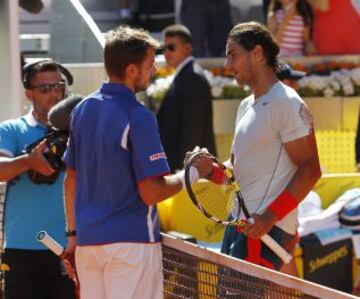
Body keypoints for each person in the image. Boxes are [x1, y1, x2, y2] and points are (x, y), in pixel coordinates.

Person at [63, 26, 202, 299]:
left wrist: (73, 237)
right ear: (131, 70)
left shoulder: (82, 110)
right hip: (132, 246)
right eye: (150, 65)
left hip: (89, 246)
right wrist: (191, 175)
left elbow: (71, 179)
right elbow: (152, 192)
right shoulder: (139, 116)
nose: (154, 72)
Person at [194, 22, 321, 272]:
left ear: (258, 53)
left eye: (233, 54)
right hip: (242, 226)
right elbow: (237, 172)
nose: (227, 65)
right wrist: (212, 171)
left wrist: (269, 218)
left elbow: (311, 171)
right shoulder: (245, 106)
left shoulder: (286, 102)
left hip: (266, 231)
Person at [0, 60, 76, 299]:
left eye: (58, 86)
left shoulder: (79, 130)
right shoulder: (12, 129)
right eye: (45, 88)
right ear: (28, 93)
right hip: (21, 247)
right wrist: (28, 162)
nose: (54, 93)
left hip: (68, 247)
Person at [157, 24, 217, 173]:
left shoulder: (193, 77)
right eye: (164, 48)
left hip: (188, 173)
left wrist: (184, 171)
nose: (166, 53)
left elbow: (192, 130)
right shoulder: (186, 75)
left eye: (171, 47)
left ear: (187, 48)